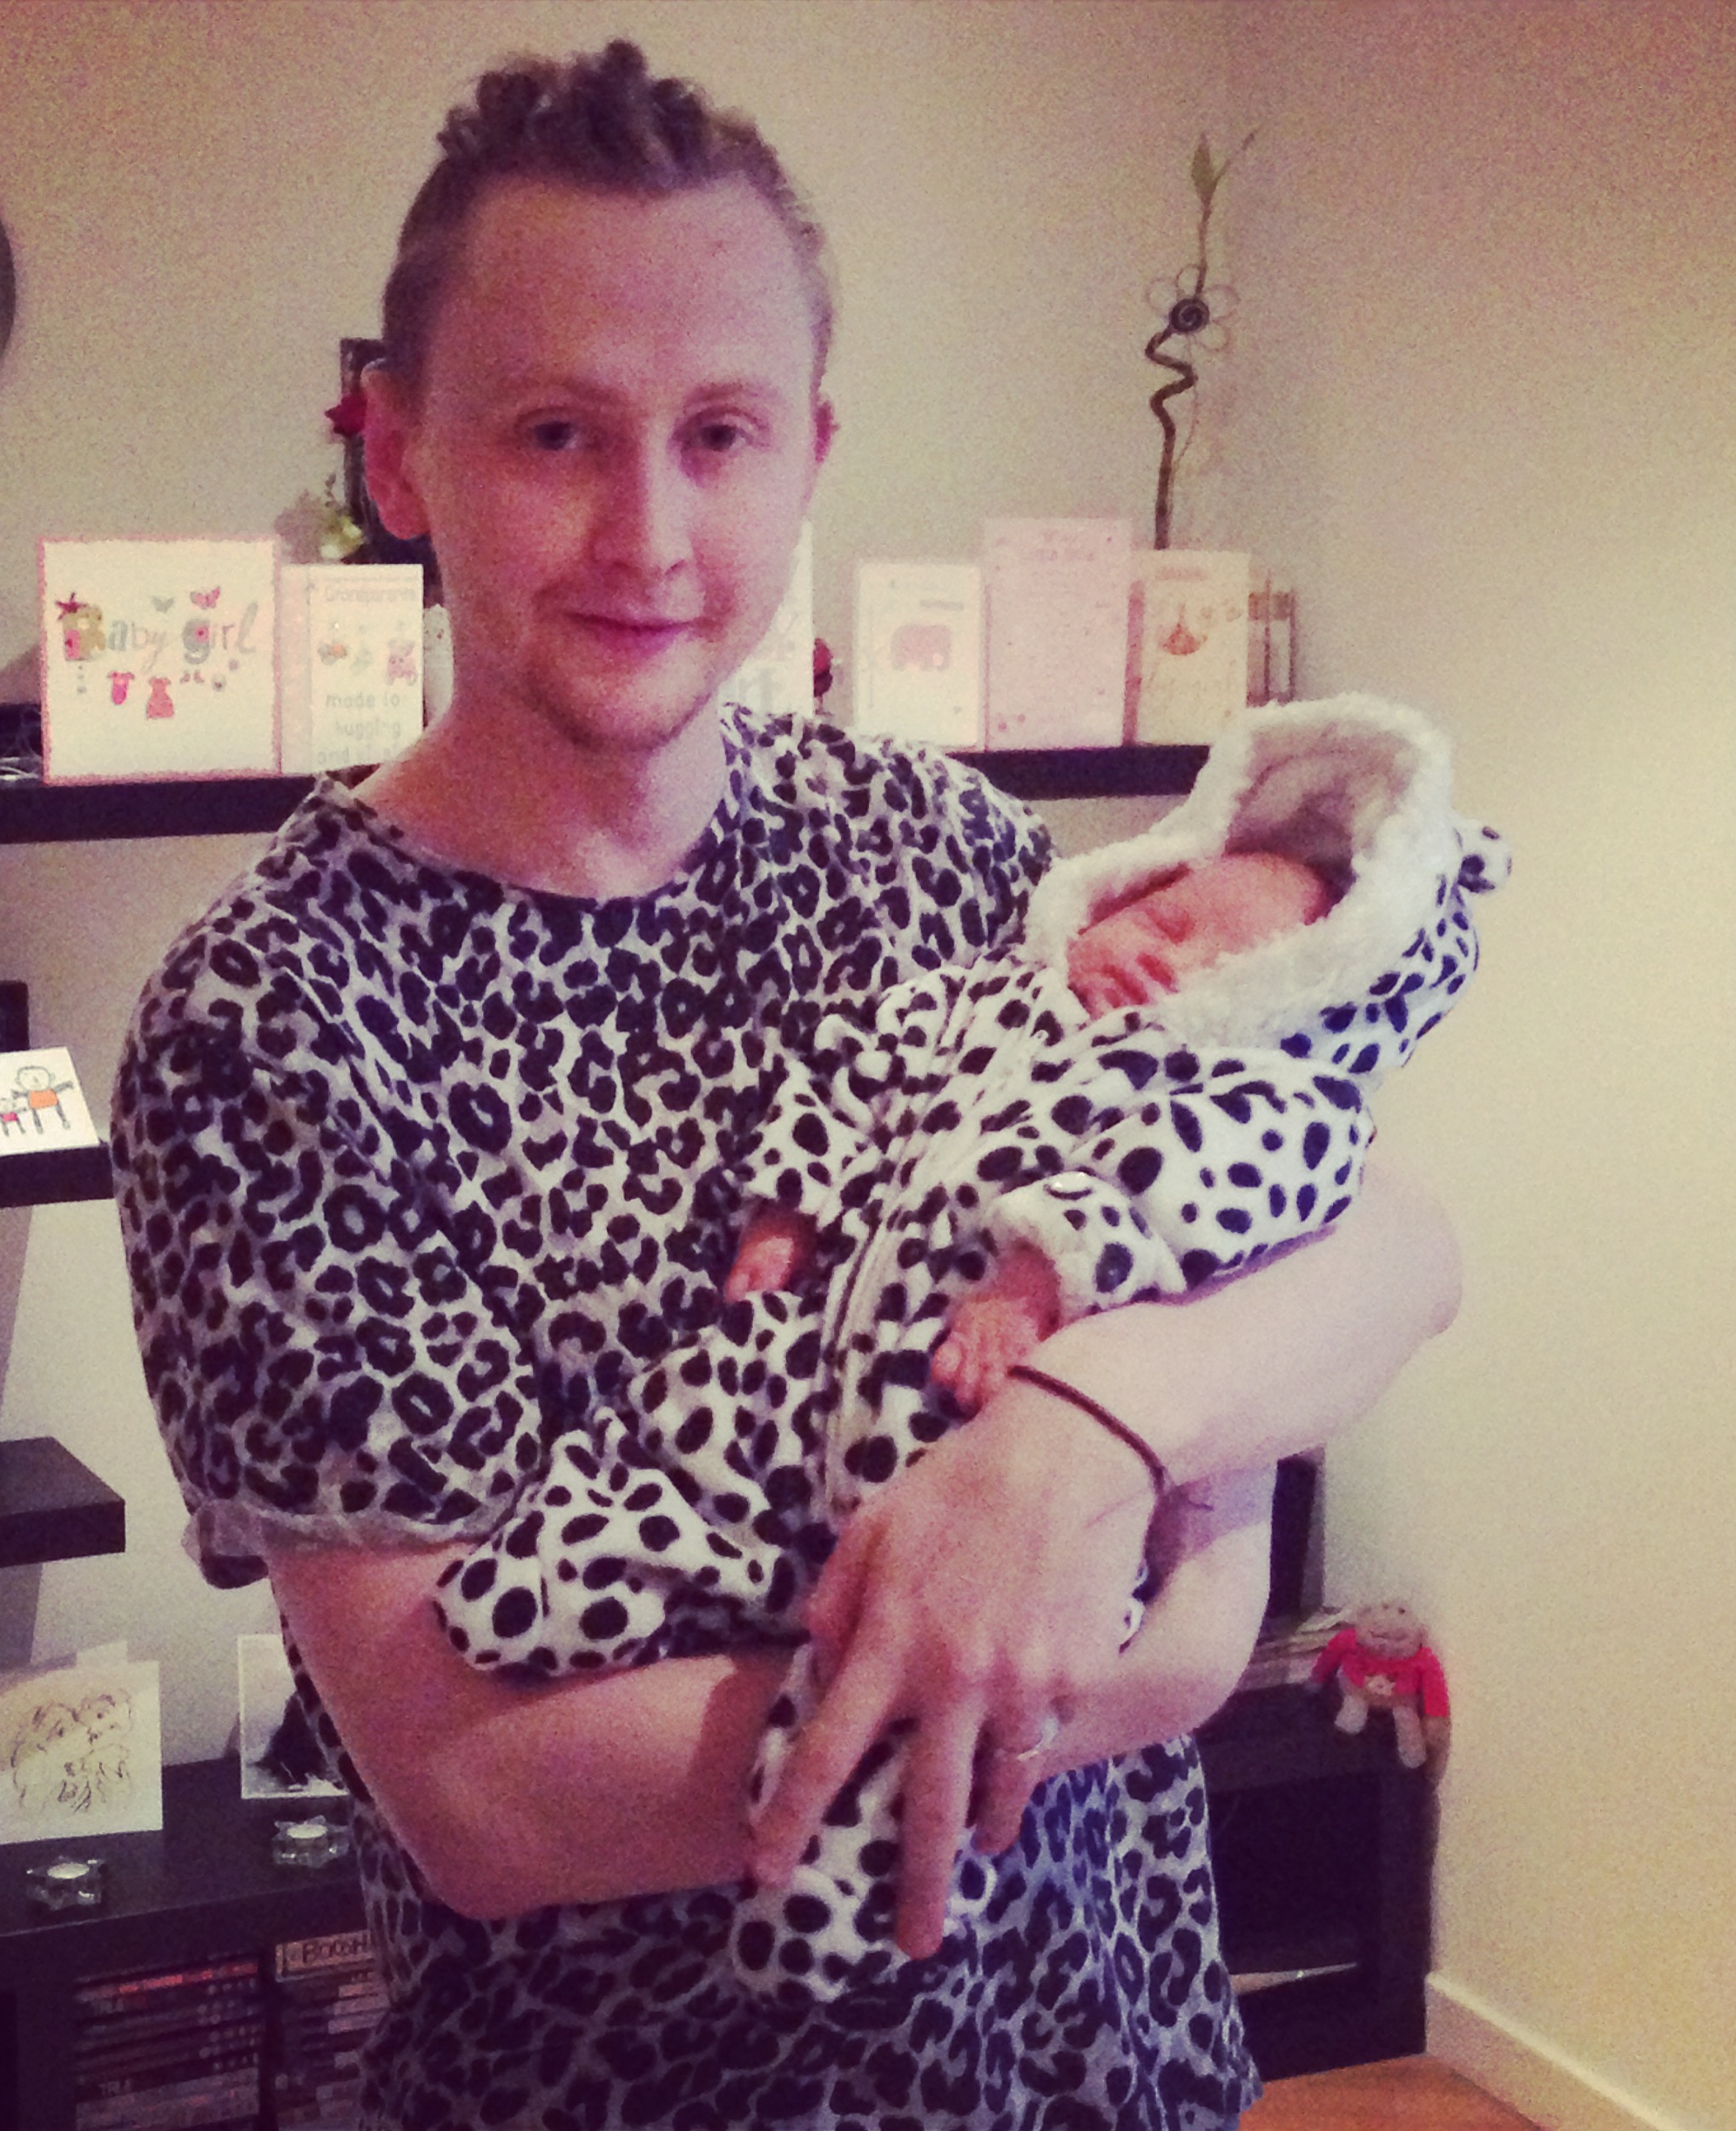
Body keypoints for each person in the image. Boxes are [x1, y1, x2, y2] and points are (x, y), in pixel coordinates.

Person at [113, 42, 1462, 2131]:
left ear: (808, 452)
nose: (647, 533)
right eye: (555, 432)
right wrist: (1141, 1662)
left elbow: (1386, 1243)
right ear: (397, 454)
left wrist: (1089, 1429)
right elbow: (491, 1800)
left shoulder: (943, 847)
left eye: (719, 434)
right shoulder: (271, 1025)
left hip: (1109, 2060)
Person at [428, 691, 1505, 1997]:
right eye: (1161, 921)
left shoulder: (998, 883)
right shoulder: (984, 992)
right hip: (775, 1411)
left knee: (905, 1716)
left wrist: (1075, 1393)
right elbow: (477, 1802)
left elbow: (1351, 1232)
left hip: (1073, 1958)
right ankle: (571, 1577)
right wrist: (788, 1211)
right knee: (664, 1462)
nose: (1163, 966)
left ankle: (835, 1904)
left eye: (1216, 963)